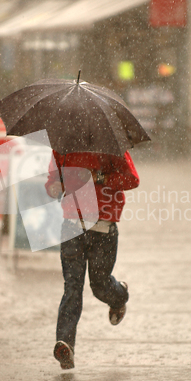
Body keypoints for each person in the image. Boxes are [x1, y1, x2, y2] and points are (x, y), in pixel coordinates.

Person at [45, 150, 140, 369]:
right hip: (72, 228)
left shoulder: (110, 145)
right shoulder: (62, 146)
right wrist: (54, 188)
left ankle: (119, 296)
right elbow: (52, 183)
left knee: (99, 286)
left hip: (104, 230)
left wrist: (99, 177)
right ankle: (65, 345)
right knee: (72, 288)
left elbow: (132, 179)